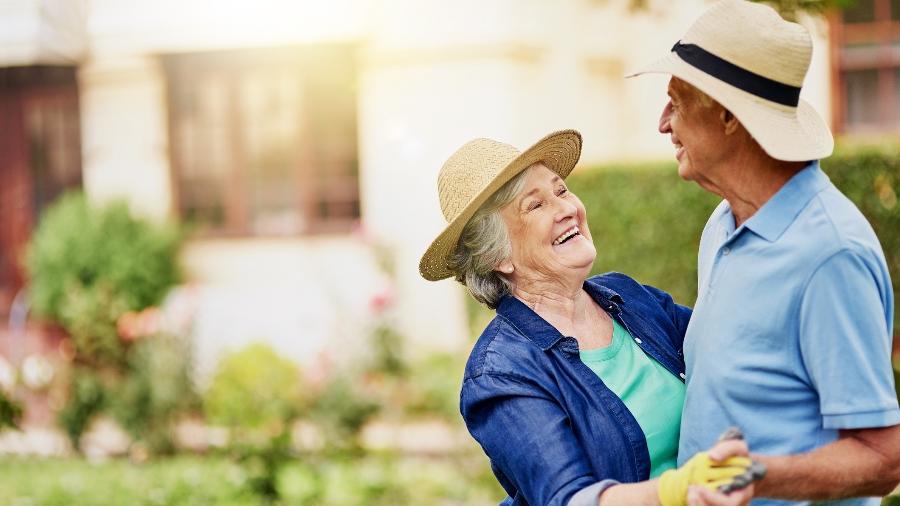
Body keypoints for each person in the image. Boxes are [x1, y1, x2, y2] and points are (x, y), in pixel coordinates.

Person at [628, 1, 900, 504]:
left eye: (677, 102)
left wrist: (754, 475)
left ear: (730, 116)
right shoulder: (722, 224)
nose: (664, 123)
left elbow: (883, 458)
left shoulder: (829, 255)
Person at [419, 129, 756, 506]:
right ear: (498, 257)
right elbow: (569, 499)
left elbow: (728, 346)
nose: (567, 209)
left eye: (561, 191)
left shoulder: (631, 298)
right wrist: (679, 490)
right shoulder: (500, 373)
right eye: (535, 205)